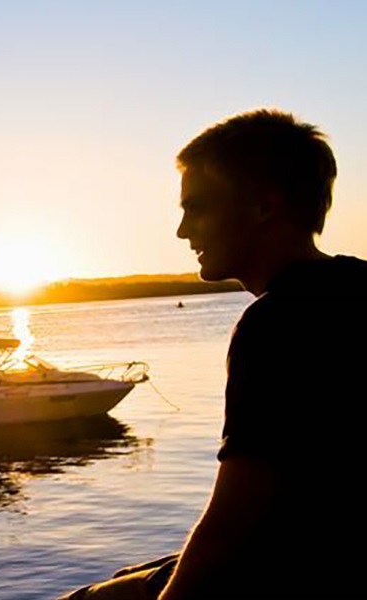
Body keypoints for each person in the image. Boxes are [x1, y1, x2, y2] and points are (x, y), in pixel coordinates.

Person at [57, 109, 367, 599]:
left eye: (196, 208)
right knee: (127, 582)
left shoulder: (277, 326)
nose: (182, 231)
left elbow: (229, 526)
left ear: (264, 206)